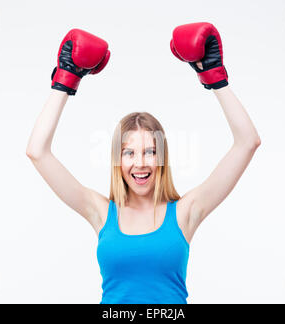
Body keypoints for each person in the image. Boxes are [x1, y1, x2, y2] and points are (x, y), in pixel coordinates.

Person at [26, 24, 261, 304]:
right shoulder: (101, 212)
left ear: (162, 158)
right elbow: (37, 152)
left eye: (150, 152)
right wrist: (64, 82)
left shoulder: (185, 212)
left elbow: (247, 142)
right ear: (117, 160)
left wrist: (215, 78)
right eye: (129, 153)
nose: (140, 163)